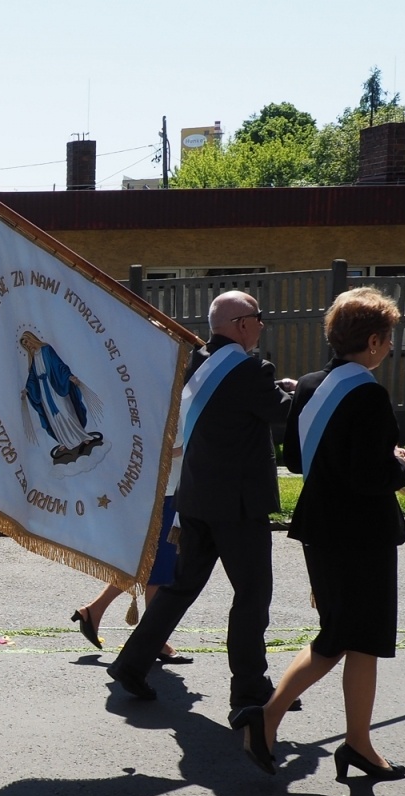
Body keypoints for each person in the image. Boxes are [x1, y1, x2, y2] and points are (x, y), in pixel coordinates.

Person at [232, 287, 405, 779]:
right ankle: (266, 717)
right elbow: (369, 476)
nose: (390, 347)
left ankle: (357, 742)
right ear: (373, 341)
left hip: (320, 527)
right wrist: (397, 466)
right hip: (361, 534)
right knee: (348, 639)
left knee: (350, 638)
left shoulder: (311, 383)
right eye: (388, 338)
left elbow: (295, 460)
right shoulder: (370, 393)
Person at [106, 291, 295, 706]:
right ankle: (250, 688)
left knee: (181, 587)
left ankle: (132, 663)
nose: (262, 324)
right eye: (258, 317)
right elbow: (284, 412)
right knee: (251, 594)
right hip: (238, 505)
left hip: (195, 498)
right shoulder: (249, 371)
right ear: (242, 324)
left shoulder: (195, 362)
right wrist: (301, 391)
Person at [72, 441, 190, 665]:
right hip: (164, 491)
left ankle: (93, 610)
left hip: (163, 489)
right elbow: (164, 447)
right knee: (159, 571)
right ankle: (156, 641)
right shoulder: (173, 404)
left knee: (148, 564)